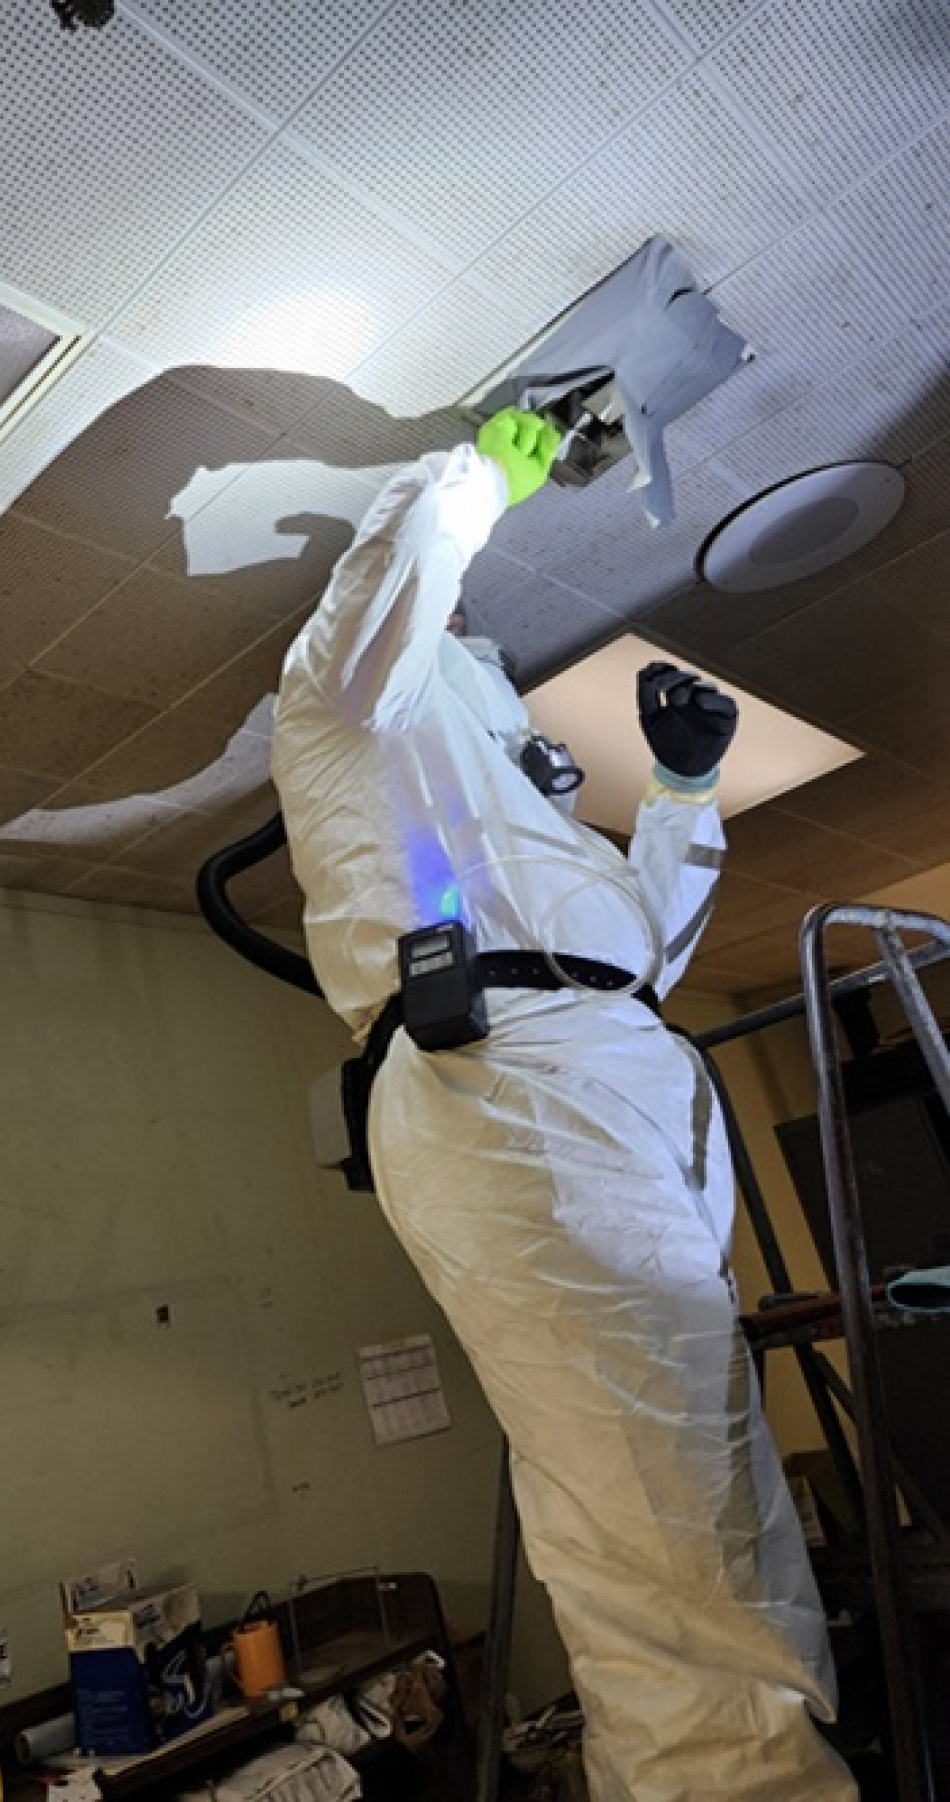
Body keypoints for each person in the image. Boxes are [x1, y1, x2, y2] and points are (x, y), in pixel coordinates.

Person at [270, 411, 855, 1802]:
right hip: (506, 1078)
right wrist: (486, 467)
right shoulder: (347, 703)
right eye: (448, 610)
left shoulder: (505, 796)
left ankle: (777, 1756)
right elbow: (395, 572)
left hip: (615, 1052)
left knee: (706, 1468)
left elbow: (636, 945)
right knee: (644, 1499)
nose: (466, 620)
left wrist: (682, 791)